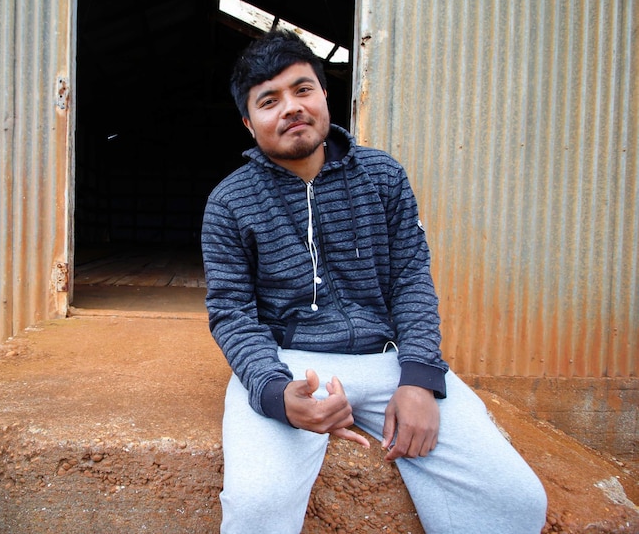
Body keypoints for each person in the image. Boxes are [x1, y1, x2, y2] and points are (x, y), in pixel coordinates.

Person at [200, 29, 547, 534]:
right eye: (269, 101)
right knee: (256, 509)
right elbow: (232, 314)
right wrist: (277, 394)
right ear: (249, 124)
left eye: (303, 89)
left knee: (513, 500)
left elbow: (411, 280)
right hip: (291, 365)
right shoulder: (229, 202)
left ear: (324, 94)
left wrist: (419, 380)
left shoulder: (382, 175)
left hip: (389, 360)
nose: (291, 108)